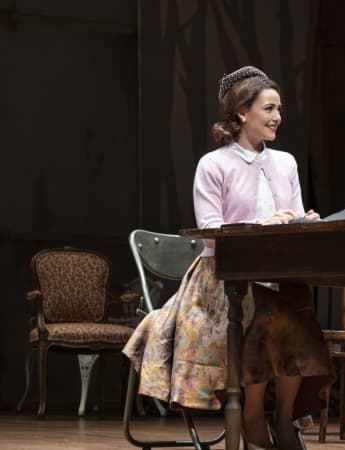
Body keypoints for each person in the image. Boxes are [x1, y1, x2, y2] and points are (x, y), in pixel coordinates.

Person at [123, 66, 334, 450]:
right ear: (242, 112)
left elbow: (294, 217)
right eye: (268, 109)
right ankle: (252, 415)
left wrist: (304, 222)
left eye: (279, 109)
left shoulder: (285, 163)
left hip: (277, 271)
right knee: (262, 315)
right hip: (221, 277)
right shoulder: (214, 164)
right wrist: (260, 225)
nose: (277, 118)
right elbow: (211, 232)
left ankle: (284, 419)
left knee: (299, 315)